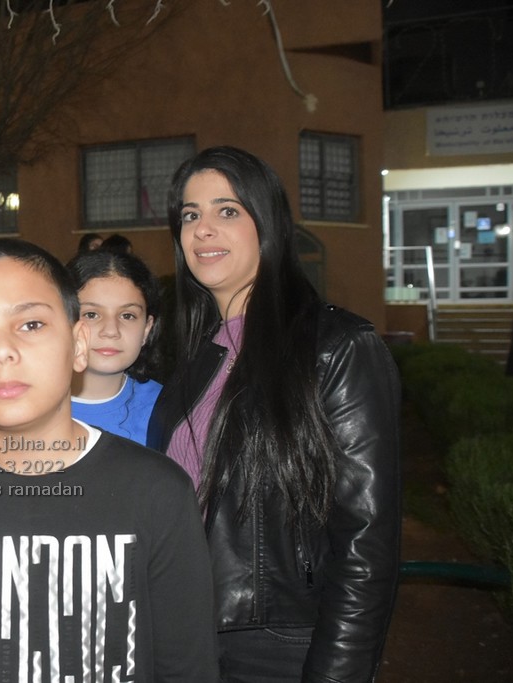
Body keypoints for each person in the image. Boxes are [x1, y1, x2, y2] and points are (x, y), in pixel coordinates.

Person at [0, 238, 218, 681]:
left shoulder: (159, 493)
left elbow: (187, 667)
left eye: (31, 324)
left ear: (78, 344)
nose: (1, 350)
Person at [146, 146, 400, 682]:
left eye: (227, 210)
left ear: (268, 223)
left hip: (280, 645)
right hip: (186, 638)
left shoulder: (335, 345)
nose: (203, 229)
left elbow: (367, 543)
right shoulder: (196, 356)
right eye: (190, 215)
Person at [67, 248, 163, 445]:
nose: (111, 330)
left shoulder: (168, 409)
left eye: (127, 316)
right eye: (91, 314)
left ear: (147, 329)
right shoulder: (26, 408)